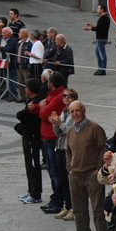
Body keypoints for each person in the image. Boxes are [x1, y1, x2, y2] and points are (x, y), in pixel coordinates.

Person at [65, 101, 108, 231]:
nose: (75, 114)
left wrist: (98, 169)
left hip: (92, 175)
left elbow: (104, 149)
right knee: (78, 209)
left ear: (84, 111)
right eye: (72, 112)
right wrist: (70, 167)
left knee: (98, 209)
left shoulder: (94, 128)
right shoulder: (70, 131)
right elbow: (68, 151)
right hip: (75, 175)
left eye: (77, 111)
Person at [31, 71, 67, 215]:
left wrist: (41, 108)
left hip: (52, 136)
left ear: (51, 83)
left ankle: (58, 201)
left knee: (55, 171)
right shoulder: (52, 95)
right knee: (52, 170)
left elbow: (45, 114)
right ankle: (55, 199)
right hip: (46, 135)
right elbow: (43, 109)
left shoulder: (58, 97)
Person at [49, 88, 78, 221]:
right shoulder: (63, 112)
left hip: (69, 148)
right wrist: (55, 124)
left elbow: (71, 130)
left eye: (70, 95)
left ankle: (74, 208)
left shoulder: (75, 114)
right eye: (64, 96)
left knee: (70, 180)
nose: (66, 97)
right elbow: (58, 132)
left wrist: (59, 124)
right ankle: (67, 206)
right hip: (60, 147)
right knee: (63, 180)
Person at [16, 78, 45, 204]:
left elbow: (20, 116)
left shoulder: (34, 104)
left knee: (33, 165)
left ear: (28, 89)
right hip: (28, 137)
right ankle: (31, 189)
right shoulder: (33, 102)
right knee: (29, 165)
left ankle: (35, 193)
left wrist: (27, 111)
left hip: (33, 138)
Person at [85, 4, 110, 75]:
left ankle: (102, 69)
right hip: (101, 37)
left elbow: (98, 28)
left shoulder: (103, 18)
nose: (97, 10)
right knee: (97, 52)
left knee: (101, 54)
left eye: (98, 8)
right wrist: (93, 26)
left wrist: (91, 28)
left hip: (101, 38)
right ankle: (100, 67)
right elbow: (100, 27)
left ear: (102, 10)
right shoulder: (104, 18)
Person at [0, 26, 18, 101]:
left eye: (4, 32)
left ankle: (12, 94)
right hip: (3, 62)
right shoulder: (2, 39)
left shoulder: (12, 40)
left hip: (11, 63)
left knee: (12, 79)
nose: (2, 34)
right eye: (2, 32)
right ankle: (6, 93)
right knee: (6, 78)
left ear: (9, 33)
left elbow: (8, 49)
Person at [14, 28, 30, 101]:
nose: (18, 34)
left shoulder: (29, 43)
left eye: (20, 33)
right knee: (20, 82)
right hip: (19, 64)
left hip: (25, 65)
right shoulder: (19, 42)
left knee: (27, 82)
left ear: (23, 34)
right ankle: (22, 97)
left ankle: (28, 97)